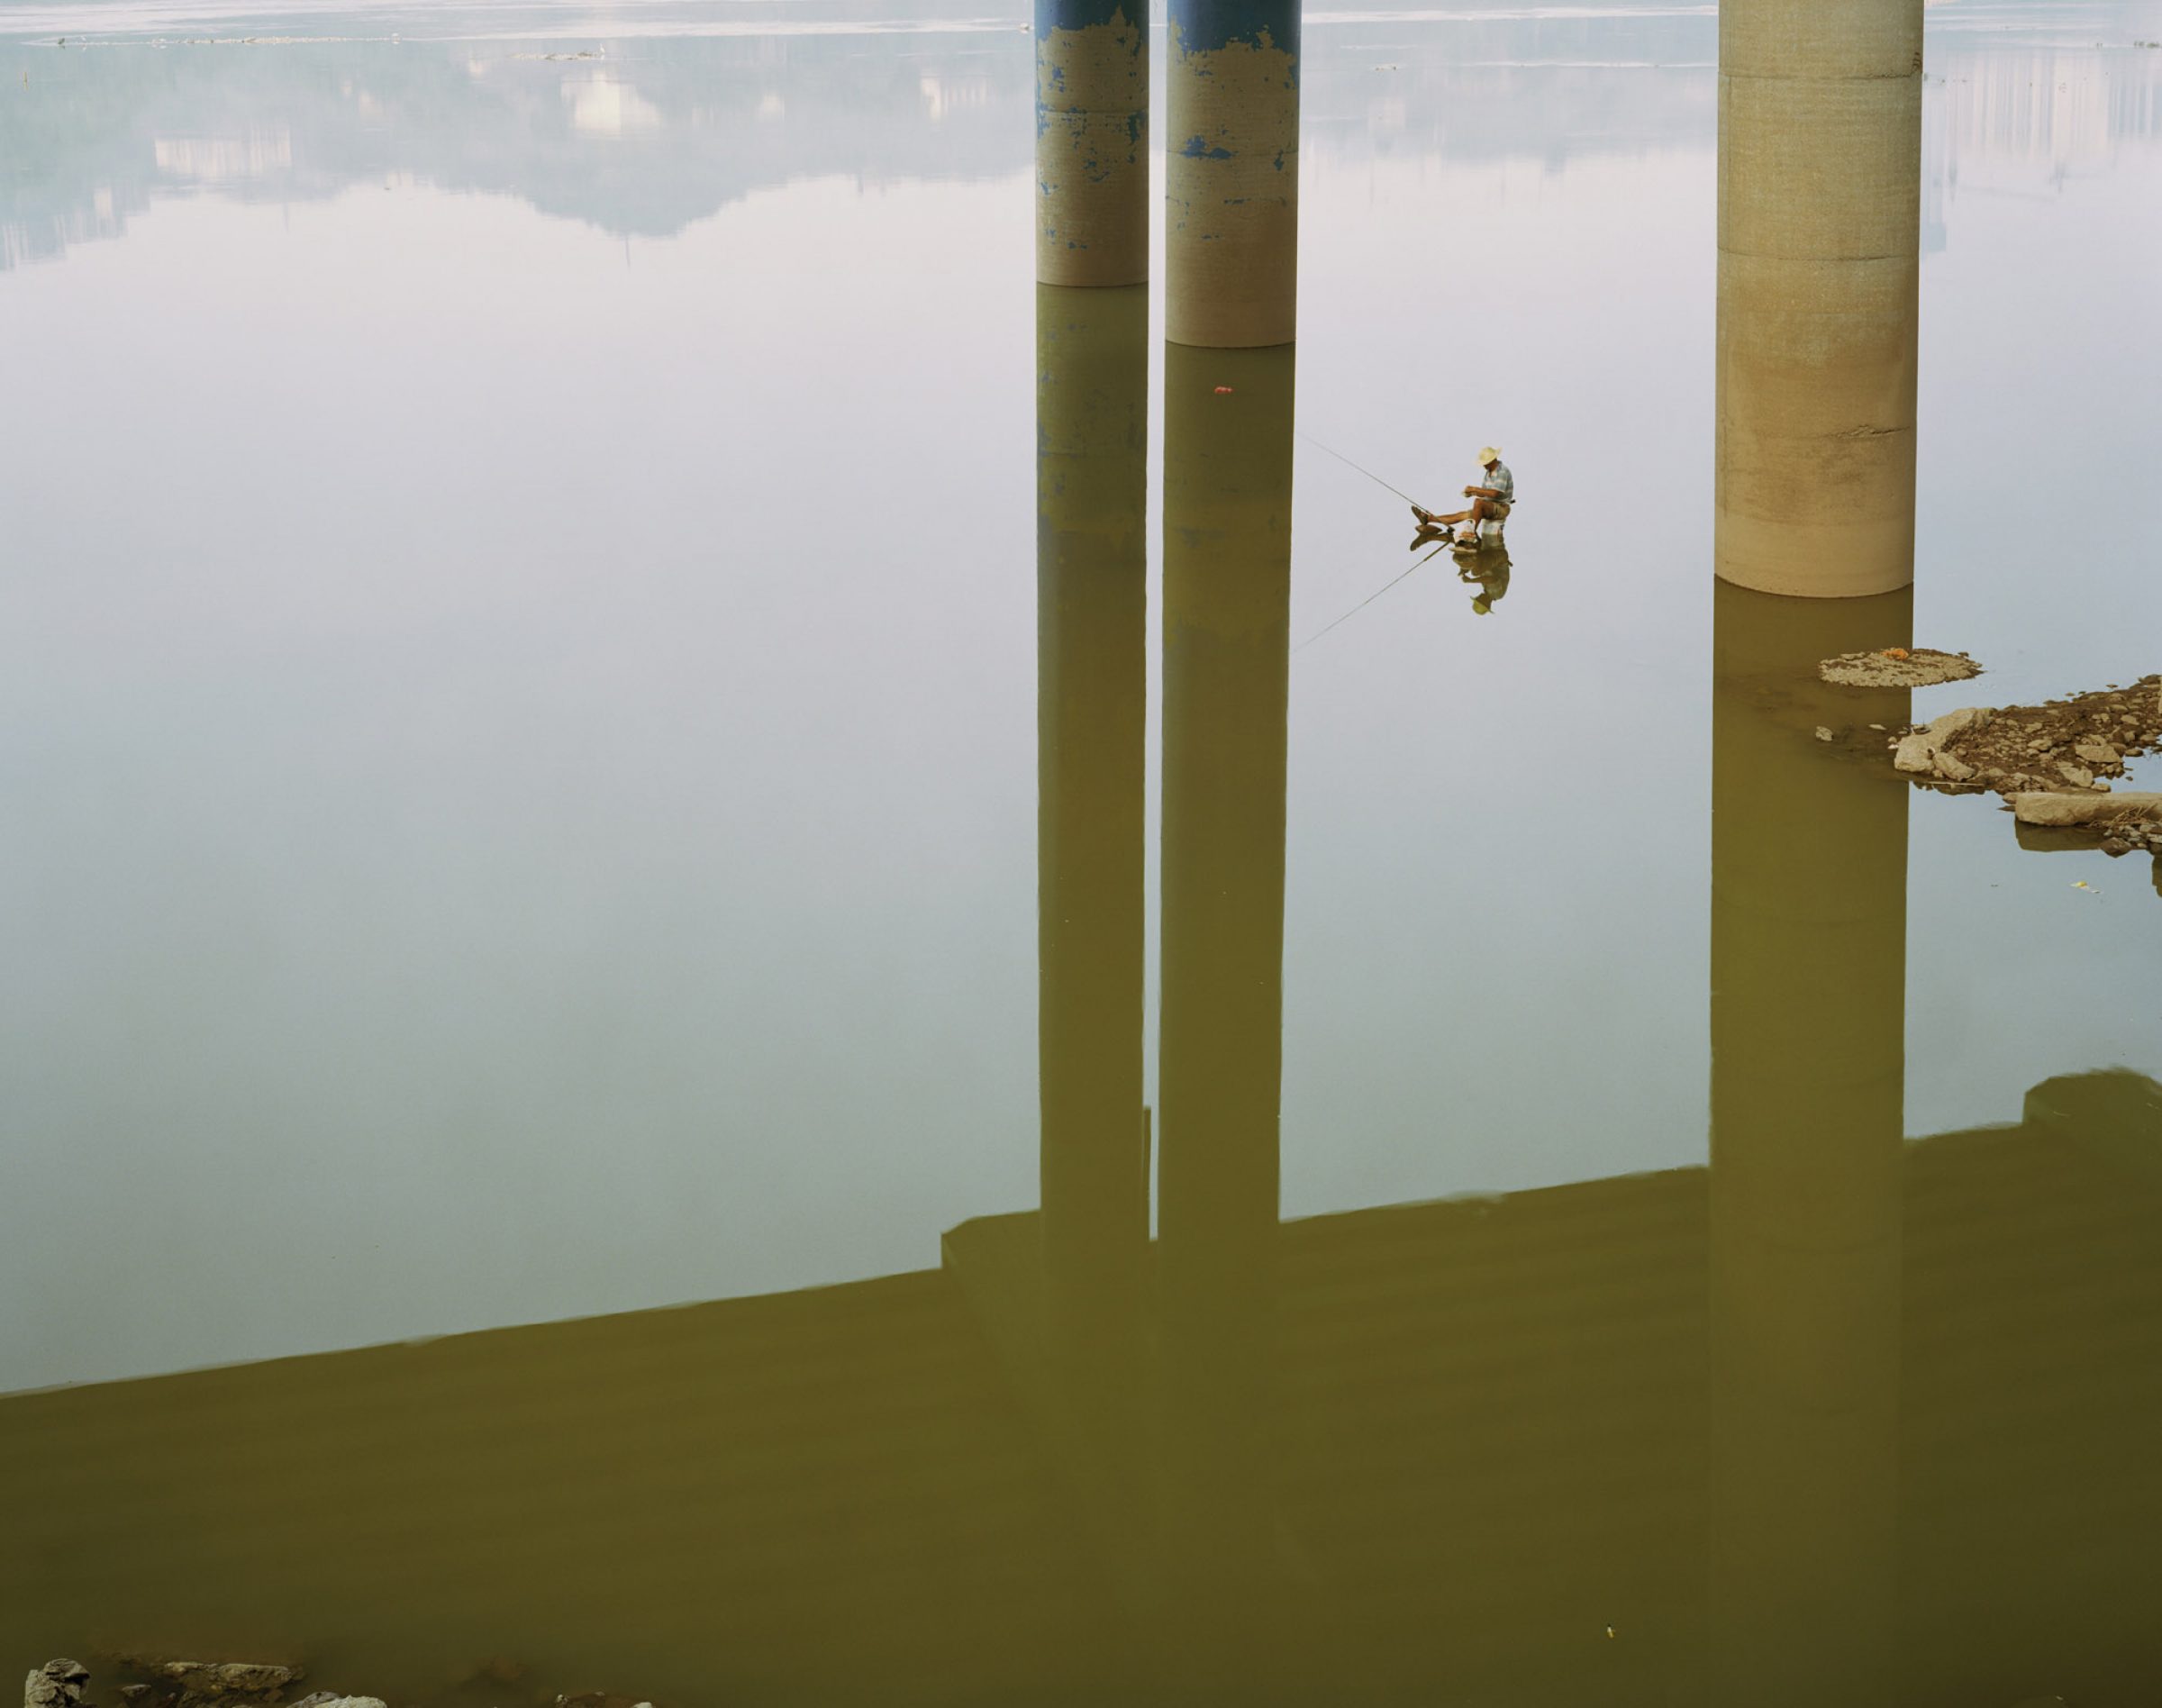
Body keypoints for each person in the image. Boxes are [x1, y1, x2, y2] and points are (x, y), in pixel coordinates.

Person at [1413, 447, 1513, 547]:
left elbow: (1495, 493)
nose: (1483, 465)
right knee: (1460, 515)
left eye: (1485, 462)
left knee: (1478, 502)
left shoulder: (1502, 472)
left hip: (1501, 507)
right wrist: (1471, 493)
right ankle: (1428, 518)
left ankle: (1470, 535)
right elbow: (1485, 494)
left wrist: (1475, 489)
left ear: (1492, 460)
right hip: (1489, 506)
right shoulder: (1489, 473)